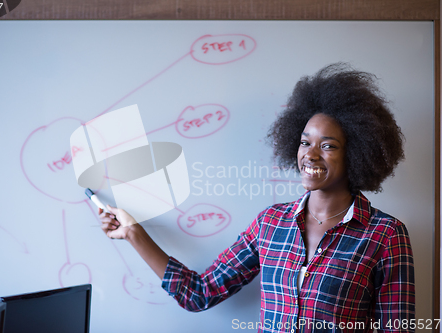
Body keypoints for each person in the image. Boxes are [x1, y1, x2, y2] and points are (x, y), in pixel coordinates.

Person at [99, 63, 415, 332]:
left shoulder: (385, 235)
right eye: (305, 143)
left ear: (357, 153)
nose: (310, 156)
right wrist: (133, 233)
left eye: (328, 145)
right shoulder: (270, 224)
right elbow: (200, 293)